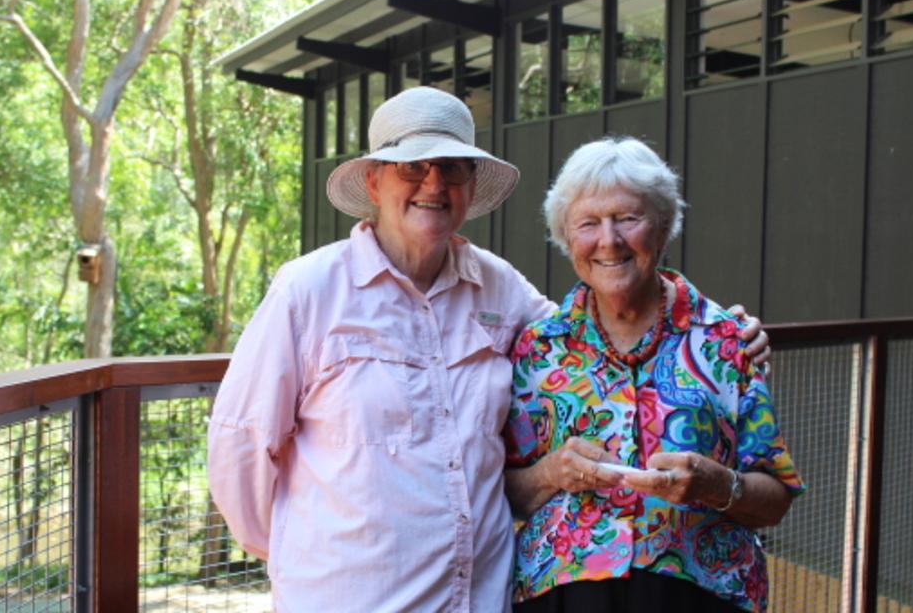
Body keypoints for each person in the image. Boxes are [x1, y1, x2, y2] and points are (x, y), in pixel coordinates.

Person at [207, 88, 768, 612]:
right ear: (375, 182)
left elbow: (601, 326)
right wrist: (307, 551)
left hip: (478, 596)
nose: (433, 182)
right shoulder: (309, 291)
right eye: (412, 166)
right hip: (352, 595)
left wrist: (720, 327)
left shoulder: (499, 288)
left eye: (451, 167)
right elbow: (241, 450)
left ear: (471, 186)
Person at [502, 137, 803, 613]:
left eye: (627, 218)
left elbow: (777, 496)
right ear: (567, 238)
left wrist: (718, 485)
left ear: (662, 226)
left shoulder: (725, 342)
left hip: (700, 594)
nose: (609, 240)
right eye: (588, 223)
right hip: (565, 596)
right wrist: (552, 471)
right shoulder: (539, 347)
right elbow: (506, 490)